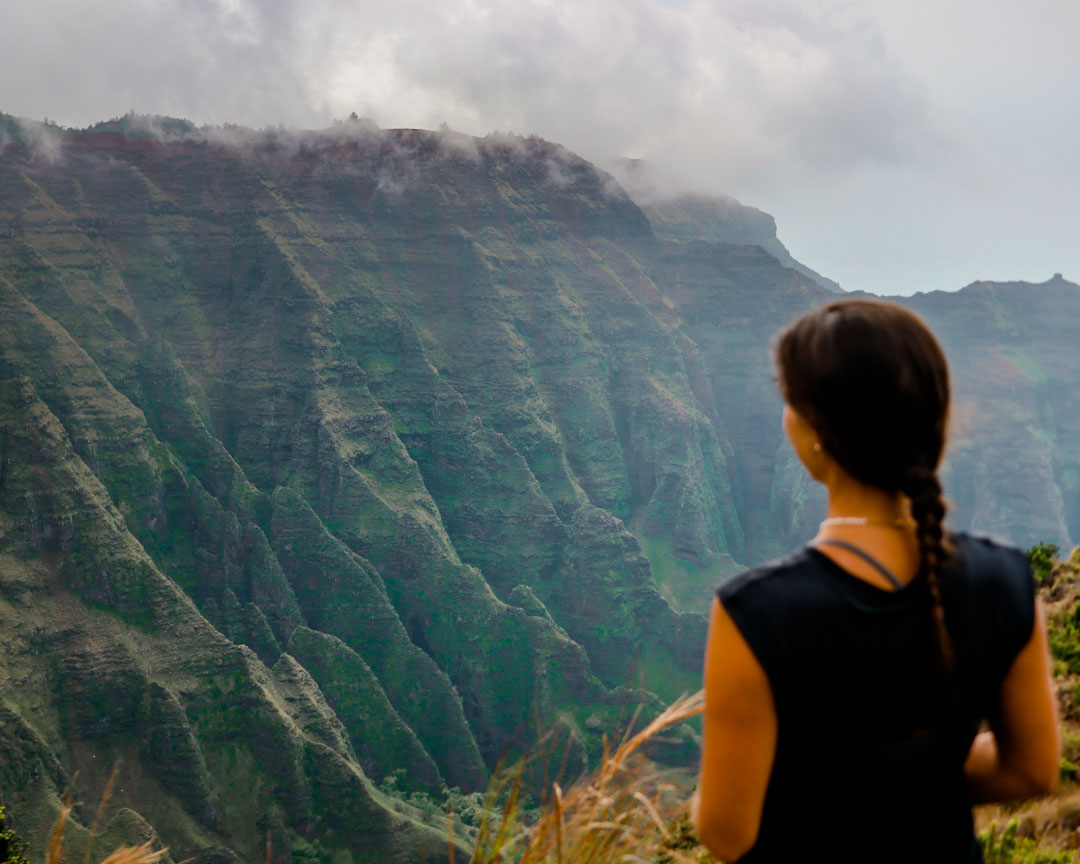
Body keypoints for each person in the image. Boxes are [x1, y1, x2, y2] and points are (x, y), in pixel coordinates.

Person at [692, 299, 1060, 863]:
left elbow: (726, 830)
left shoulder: (756, 611)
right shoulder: (1004, 578)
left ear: (813, 431)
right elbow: (1031, 768)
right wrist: (911, 776)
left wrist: (837, 785)